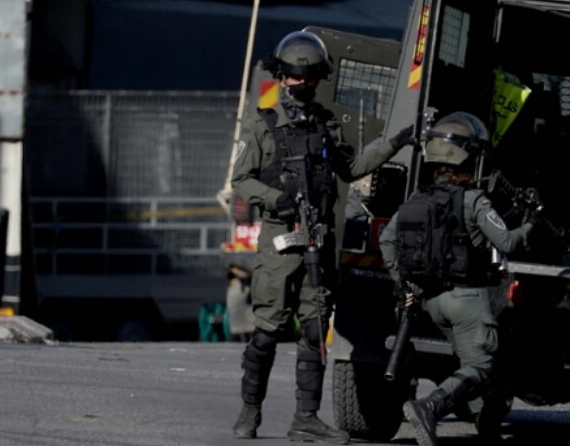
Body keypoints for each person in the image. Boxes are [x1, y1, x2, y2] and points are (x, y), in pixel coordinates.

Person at [230, 30, 416, 444]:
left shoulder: (326, 125)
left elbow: (352, 168)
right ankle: (249, 413)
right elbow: (241, 179)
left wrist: (395, 143)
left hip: (318, 243)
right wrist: (276, 199)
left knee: (315, 332)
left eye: (308, 78)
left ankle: (306, 418)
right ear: (282, 78)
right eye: (295, 78)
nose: (301, 85)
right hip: (280, 246)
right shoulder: (266, 125)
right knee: (266, 331)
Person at [378, 112, 537, 446]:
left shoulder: (417, 199)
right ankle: (428, 407)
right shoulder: (473, 199)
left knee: (475, 365)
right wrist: (531, 224)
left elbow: (386, 240)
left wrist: (402, 284)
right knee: (480, 365)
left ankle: (486, 424)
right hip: (469, 299)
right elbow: (507, 242)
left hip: (432, 302)